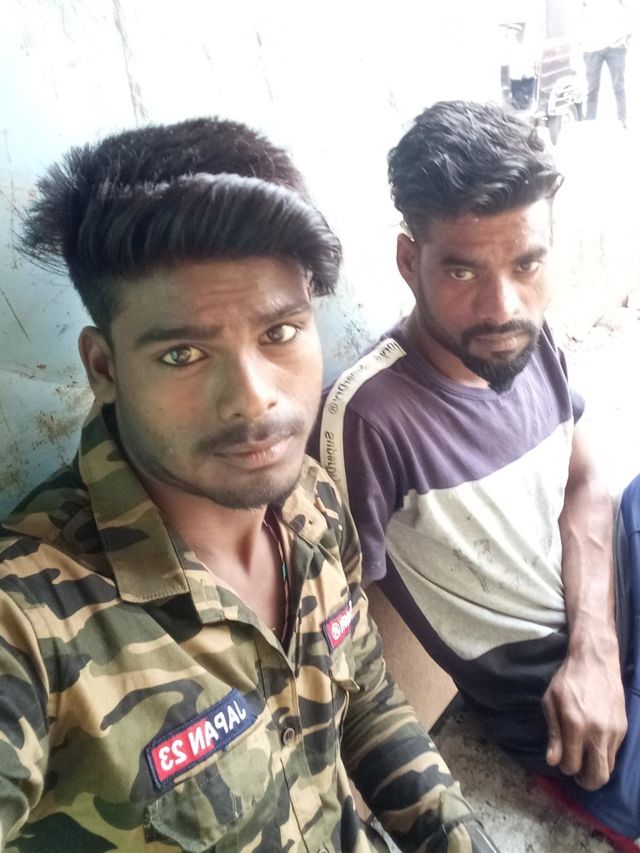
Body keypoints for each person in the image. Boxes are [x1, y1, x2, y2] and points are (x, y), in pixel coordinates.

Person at [0, 118, 498, 852]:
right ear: (104, 367)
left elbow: (366, 695)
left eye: (279, 333)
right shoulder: (29, 623)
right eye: (183, 354)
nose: (253, 399)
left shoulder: (312, 501)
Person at [314, 101, 639, 846]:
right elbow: (333, 642)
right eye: (462, 269)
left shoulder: (529, 336)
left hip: (608, 607)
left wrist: (597, 642)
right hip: (557, 696)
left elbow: (589, 476)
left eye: (527, 264)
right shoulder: (368, 419)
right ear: (409, 261)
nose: (502, 306)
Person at [581, 0, 632, 127]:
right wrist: (581, 40)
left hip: (615, 45)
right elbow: (577, 12)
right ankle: (590, 123)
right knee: (592, 89)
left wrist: (627, 35)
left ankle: (622, 121)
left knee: (618, 86)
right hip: (592, 47)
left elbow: (630, 8)